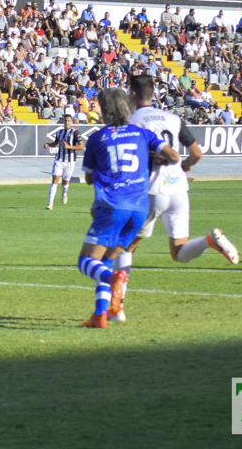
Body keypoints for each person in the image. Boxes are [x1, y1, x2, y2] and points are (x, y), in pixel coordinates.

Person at [111, 76, 240, 323]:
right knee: (179, 253)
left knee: (126, 246)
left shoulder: (131, 121)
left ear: (134, 94)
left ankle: (117, 309)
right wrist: (186, 167)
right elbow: (196, 153)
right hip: (179, 189)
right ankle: (209, 241)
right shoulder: (172, 118)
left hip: (150, 191)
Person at [77, 89, 180, 329]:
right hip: (140, 209)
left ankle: (112, 280)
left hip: (113, 206)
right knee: (105, 261)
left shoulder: (97, 138)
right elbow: (174, 157)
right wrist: (155, 158)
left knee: (86, 261)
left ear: (104, 110)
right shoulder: (143, 134)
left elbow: (89, 178)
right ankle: (100, 315)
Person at [44, 114, 84, 210]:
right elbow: (56, 143)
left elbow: (81, 146)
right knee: (55, 179)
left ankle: (64, 192)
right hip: (59, 159)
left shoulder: (75, 133)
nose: (67, 122)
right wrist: (48, 145)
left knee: (65, 181)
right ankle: (50, 204)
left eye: (69, 120)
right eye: (65, 120)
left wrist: (69, 147)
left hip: (70, 161)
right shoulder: (59, 132)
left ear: (72, 122)